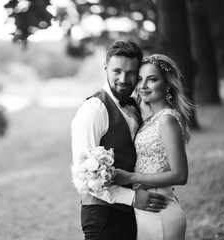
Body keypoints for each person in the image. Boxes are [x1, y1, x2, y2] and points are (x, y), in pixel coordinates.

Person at [71, 41, 167, 240]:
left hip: (131, 214)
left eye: (131, 73)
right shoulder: (94, 110)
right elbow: (84, 175)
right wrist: (132, 198)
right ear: (106, 68)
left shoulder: (133, 107)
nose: (123, 79)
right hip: (104, 217)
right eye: (117, 71)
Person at [113, 53, 194, 240]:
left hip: (160, 208)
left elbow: (180, 175)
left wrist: (131, 177)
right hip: (148, 207)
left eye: (152, 80)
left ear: (167, 84)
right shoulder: (150, 120)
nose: (143, 86)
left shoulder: (166, 120)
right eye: (140, 79)